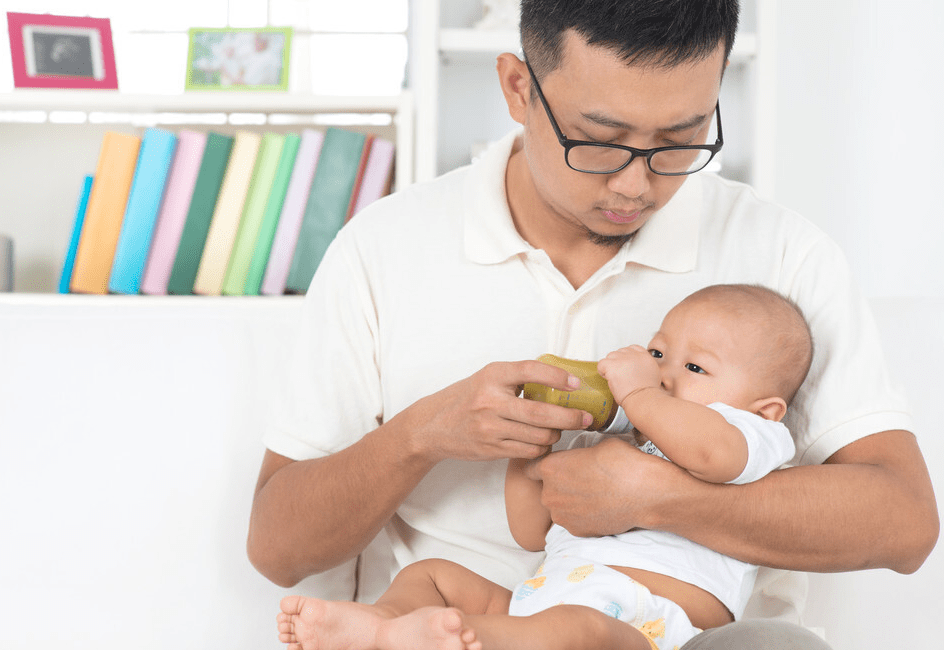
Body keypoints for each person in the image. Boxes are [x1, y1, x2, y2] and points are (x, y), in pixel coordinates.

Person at [248, 1, 939, 647]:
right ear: (518, 87)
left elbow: (904, 523)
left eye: (681, 137)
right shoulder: (383, 248)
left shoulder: (785, 256)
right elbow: (278, 548)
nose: (637, 186)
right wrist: (423, 434)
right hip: (461, 621)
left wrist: (658, 496)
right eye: (599, 142)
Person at [275, 284, 812, 650]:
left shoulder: (749, 436)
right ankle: (387, 627)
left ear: (764, 407)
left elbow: (710, 456)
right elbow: (532, 530)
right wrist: (531, 452)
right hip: (542, 605)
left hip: (646, 628)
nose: (665, 373)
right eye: (656, 354)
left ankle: (455, 639)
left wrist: (642, 391)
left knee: (580, 629)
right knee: (431, 575)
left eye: (694, 367)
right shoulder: (618, 440)